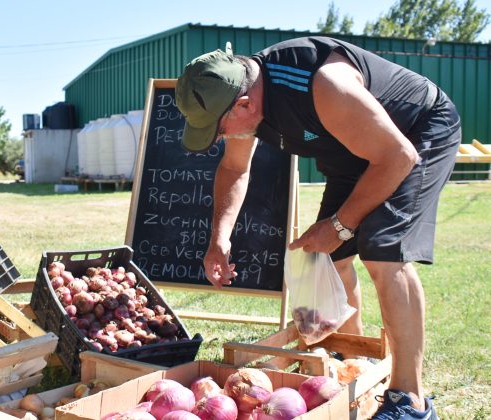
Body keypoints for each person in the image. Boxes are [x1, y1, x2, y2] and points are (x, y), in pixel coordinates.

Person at [176, 37, 460, 420]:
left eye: (219, 128)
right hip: (353, 152)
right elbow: (233, 168)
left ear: (244, 104)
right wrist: (219, 238)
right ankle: (355, 358)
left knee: (383, 248)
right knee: (330, 255)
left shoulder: (325, 85)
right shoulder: (244, 100)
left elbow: (397, 156)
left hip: (413, 134)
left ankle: (410, 400)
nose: (220, 138)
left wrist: (341, 225)